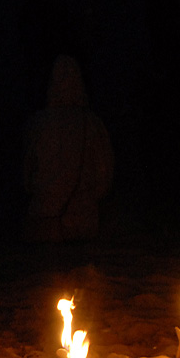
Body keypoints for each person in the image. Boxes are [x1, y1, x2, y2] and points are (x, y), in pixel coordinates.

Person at [22, 54, 114, 242]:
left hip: (45, 223)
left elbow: (26, 178)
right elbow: (104, 177)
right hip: (83, 221)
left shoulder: (39, 124)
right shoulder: (92, 124)